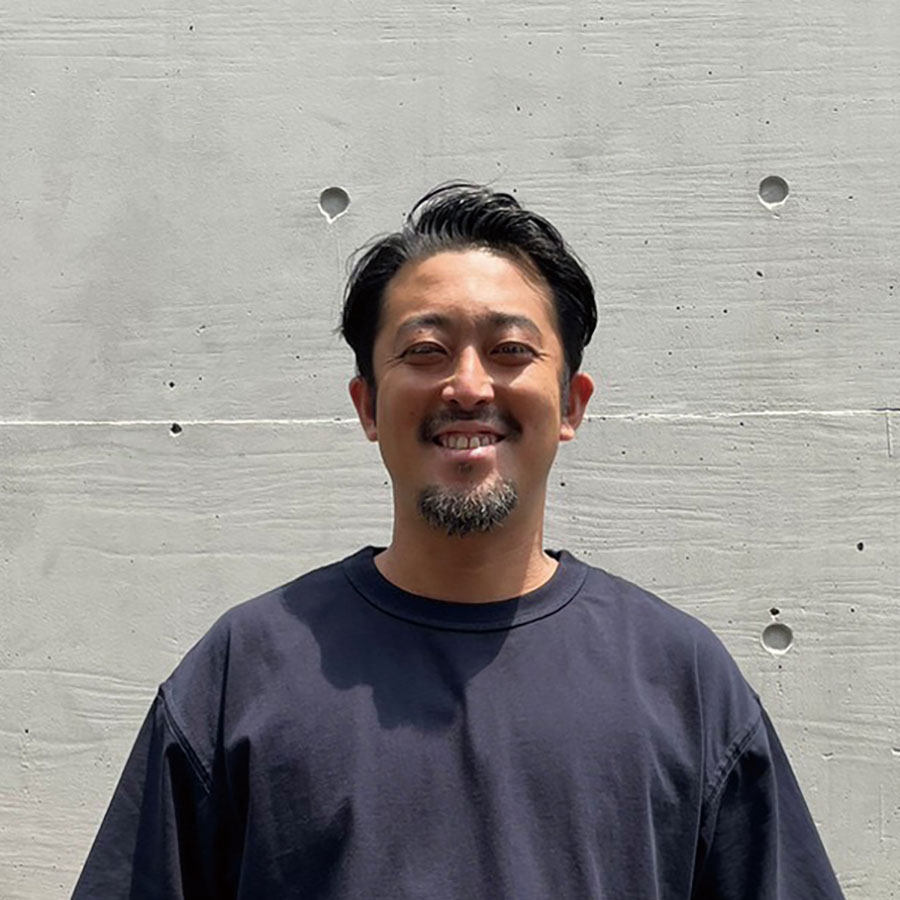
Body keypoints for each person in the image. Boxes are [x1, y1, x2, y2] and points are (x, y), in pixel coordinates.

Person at [72, 183, 846, 899]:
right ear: (367, 406)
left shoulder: (682, 681)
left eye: (510, 351)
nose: (469, 386)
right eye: (425, 352)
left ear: (571, 405)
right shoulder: (245, 672)